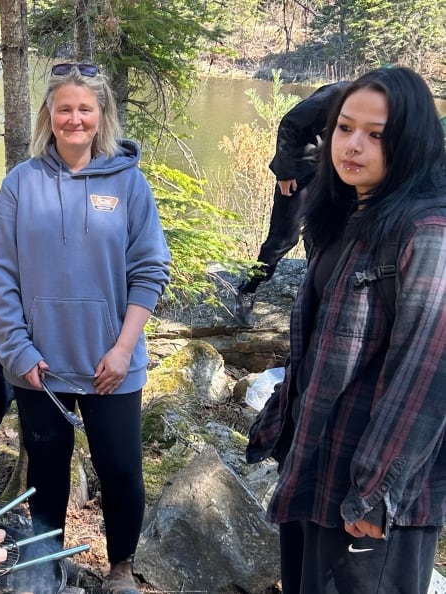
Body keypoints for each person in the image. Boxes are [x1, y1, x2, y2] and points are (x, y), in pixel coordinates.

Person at [246, 66, 446, 593]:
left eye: (376, 134)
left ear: (412, 141)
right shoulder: (346, 215)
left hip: (370, 497)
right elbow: (318, 347)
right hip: (316, 468)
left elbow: (424, 376)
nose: (352, 145)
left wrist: (377, 491)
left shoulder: (426, 231)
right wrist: (279, 422)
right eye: (344, 127)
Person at [0, 63, 171, 594]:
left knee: (120, 468)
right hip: (40, 364)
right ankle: (45, 569)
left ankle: (120, 569)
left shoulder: (129, 183)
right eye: (64, 108)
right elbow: (0, 272)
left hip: (111, 363)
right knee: (46, 470)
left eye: (84, 109)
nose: (74, 119)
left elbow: (150, 269)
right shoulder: (22, 182)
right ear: (49, 114)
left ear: (101, 115)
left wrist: (123, 349)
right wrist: (16, 349)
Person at [233, 80, 349, 327]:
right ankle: (247, 289)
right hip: (298, 174)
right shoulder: (337, 95)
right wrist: (285, 173)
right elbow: (289, 123)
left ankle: (314, 292)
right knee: (284, 237)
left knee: (322, 234)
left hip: (330, 173)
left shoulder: (376, 111)